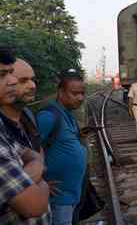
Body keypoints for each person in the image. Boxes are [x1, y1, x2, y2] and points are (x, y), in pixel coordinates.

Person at [0, 47, 50, 224]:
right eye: (24, 80)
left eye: (32, 79)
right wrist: (40, 179)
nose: (32, 85)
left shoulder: (28, 116)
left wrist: (33, 167)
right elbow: (34, 205)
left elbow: (36, 153)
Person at [37, 69, 86, 225]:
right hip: (58, 198)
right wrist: (39, 182)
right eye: (75, 93)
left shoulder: (67, 114)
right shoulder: (48, 117)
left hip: (71, 194)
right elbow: (26, 151)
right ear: (60, 92)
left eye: (82, 93)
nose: (80, 98)